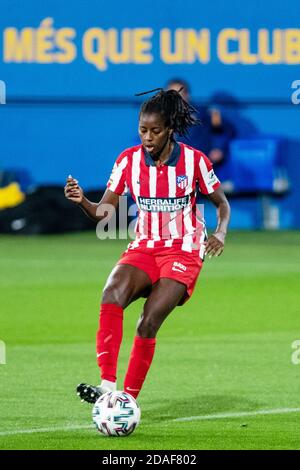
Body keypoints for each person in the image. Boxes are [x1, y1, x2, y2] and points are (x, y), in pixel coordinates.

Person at [64, 87, 230, 404]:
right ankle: (107, 387)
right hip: (145, 246)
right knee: (111, 294)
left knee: (148, 320)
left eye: (155, 130)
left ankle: (127, 399)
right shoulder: (127, 161)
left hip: (183, 251)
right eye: (143, 130)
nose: (148, 137)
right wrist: (82, 200)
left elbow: (222, 204)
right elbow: (103, 213)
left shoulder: (194, 161)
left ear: (170, 129)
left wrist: (220, 233)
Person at [166, 79, 236, 170]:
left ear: (187, 95)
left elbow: (225, 129)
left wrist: (218, 147)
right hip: (171, 170)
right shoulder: (159, 117)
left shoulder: (203, 113)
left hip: (200, 168)